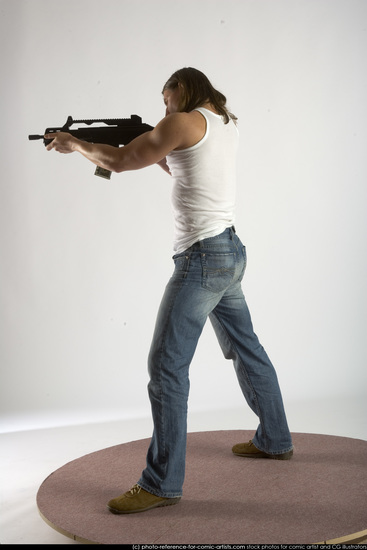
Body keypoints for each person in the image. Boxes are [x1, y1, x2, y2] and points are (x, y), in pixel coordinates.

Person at [45, 67, 293, 515]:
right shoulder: (223, 120)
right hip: (229, 251)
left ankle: (161, 484)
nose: (164, 108)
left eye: (166, 98)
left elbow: (120, 162)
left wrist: (76, 144)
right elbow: (178, 161)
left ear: (182, 88)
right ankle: (275, 439)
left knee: (166, 368)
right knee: (247, 348)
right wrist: (140, 139)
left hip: (201, 258)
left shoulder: (182, 120)